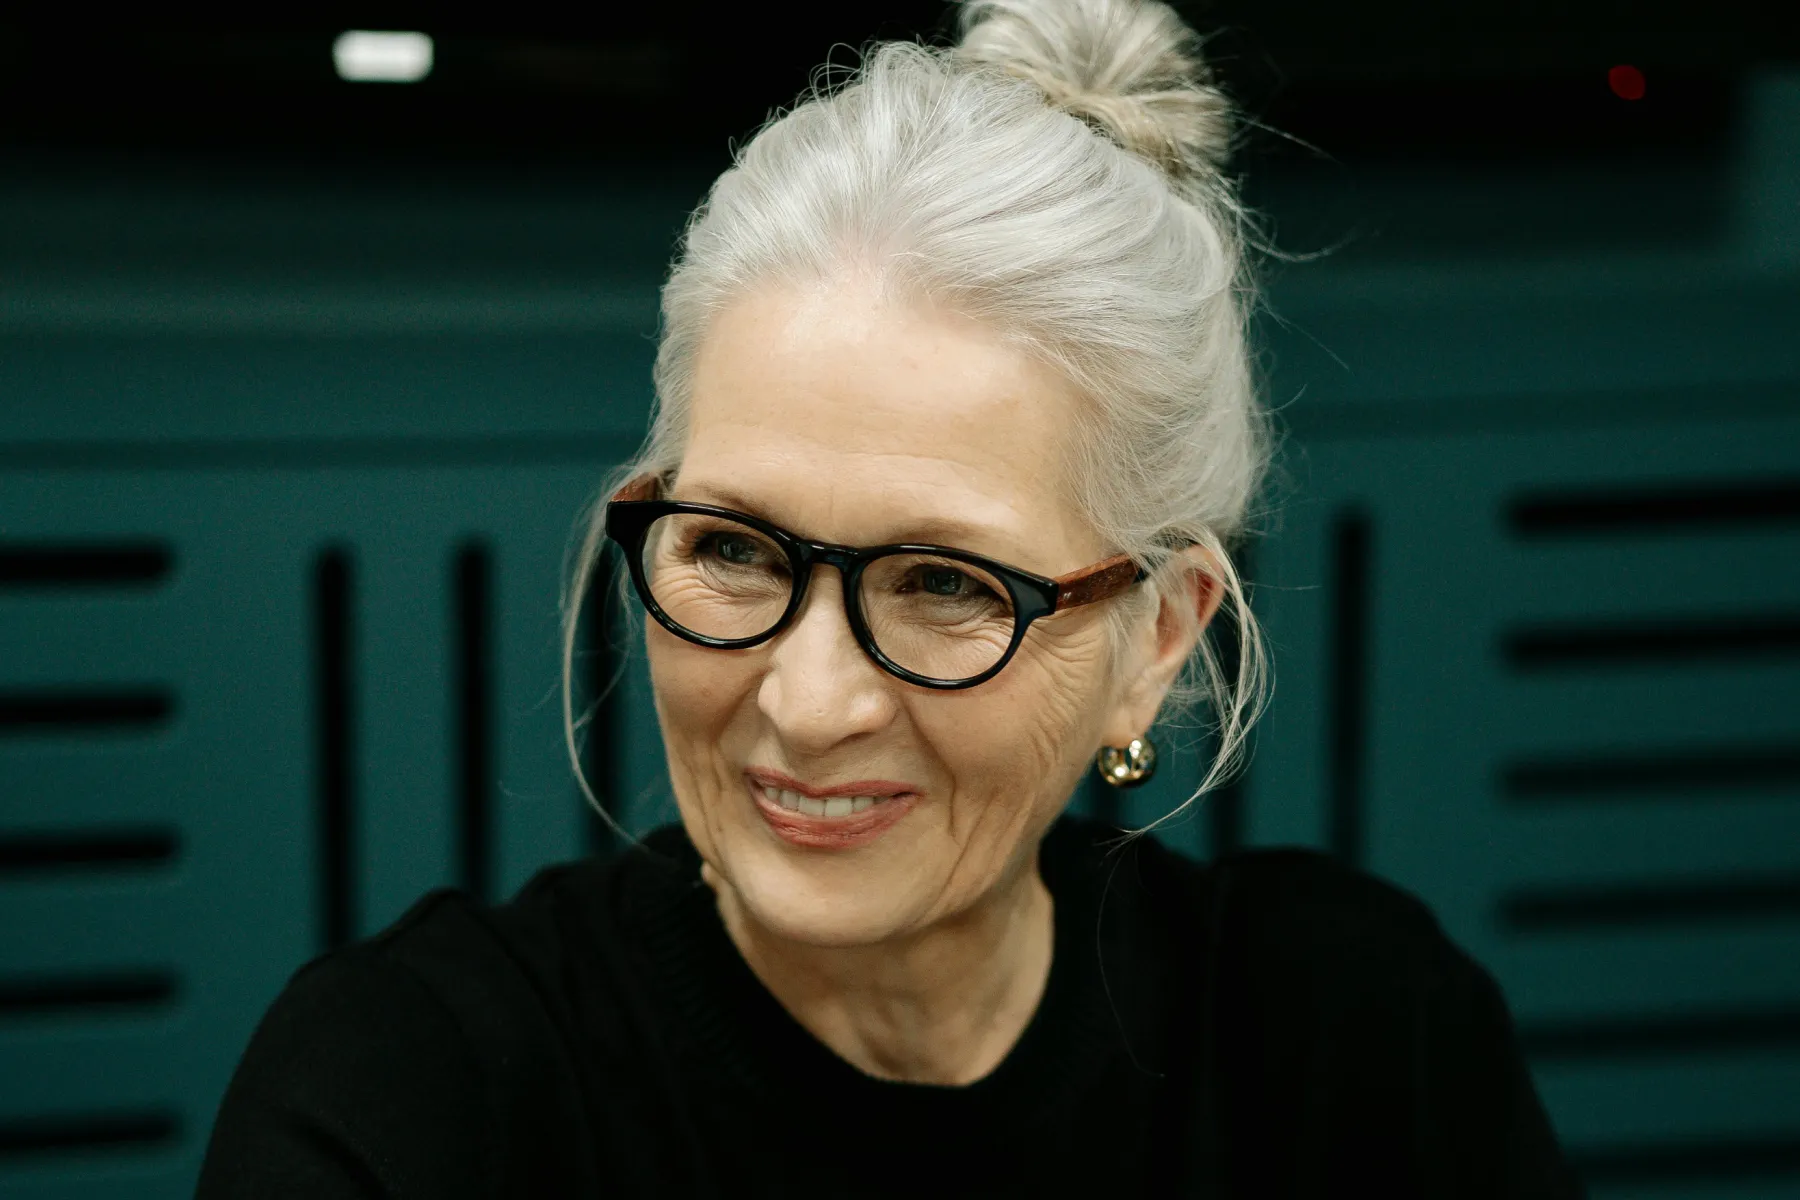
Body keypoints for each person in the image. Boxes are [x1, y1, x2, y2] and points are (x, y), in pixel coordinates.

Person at [197, 1, 1584, 1195]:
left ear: (1160, 636)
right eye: (734, 552)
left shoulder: (1365, 1048)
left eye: (942, 585)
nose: (806, 703)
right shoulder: (406, 1103)